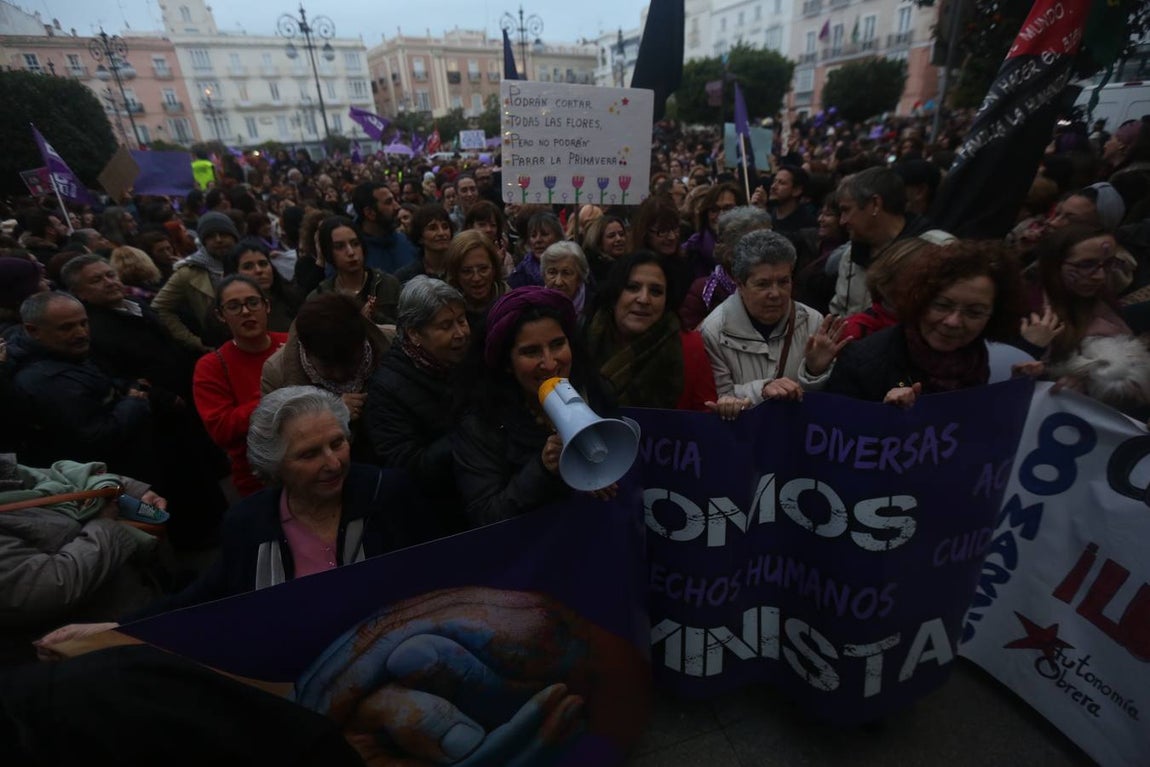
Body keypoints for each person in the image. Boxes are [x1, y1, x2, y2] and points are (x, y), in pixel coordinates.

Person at [36, 386, 432, 646]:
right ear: (274, 465)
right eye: (309, 454)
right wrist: (117, 630)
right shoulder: (249, 523)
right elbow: (208, 597)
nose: (332, 463)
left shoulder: (389, 493)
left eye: (337, 443)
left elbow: (438, 575)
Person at [453, 287, 611, 528]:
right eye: (531, 351)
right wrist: (542, 469)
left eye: (557, 344)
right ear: (507, 363)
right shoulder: (481, 424)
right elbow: (486, 516)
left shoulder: (596, 392)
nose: (549, 364)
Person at [825, 239, 1027, 404]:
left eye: (974, 313)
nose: (953, 322)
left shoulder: (975, 359)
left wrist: (1025, 385)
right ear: (920, 300)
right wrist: (882, 416)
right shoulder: (862, 363)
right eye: (942, 306)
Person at [700, 230, 846, 416]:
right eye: (763, 284)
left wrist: (815, 372)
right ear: (739, 284)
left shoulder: (812, 321)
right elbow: (718, 397)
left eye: (784, 282)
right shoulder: (714, 330)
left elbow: (825, 404)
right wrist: (762, 389)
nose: (776, 293)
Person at [366, 277, 471, 533]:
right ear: (414, 334)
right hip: (437, 521)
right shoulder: (387, 389)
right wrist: (471, 433)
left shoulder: (467, 360)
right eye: (446, 326)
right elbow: (408, 468)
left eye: (461, 320)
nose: (461, 333)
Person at [7, 292, 153, 475]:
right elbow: (97, 437)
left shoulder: (61, 353)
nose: (81, 333)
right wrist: (134, 402)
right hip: (106, 474)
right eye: (66, 328)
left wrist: (124, 386)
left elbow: (93, 379)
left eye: (83, 323)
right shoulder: (46, 380)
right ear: (33, 330)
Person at [261, 293, 390, 463]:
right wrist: (332, 415)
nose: (339, 374)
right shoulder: (277, 373)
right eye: (327, 366)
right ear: (306, 350)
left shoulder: (391, 341)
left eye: (349, 363)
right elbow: (277, 449)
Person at [193, 275, 288, 497]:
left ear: (267, 306)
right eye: (234, 307)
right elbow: (221, 429)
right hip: (260, 479)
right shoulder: (212, 366)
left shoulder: (291, 343)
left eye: (253, 303)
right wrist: (272, 396)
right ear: (220, 315)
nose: (246, 312)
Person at [585, 252, 716, 411]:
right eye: (632, 288)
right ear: (614, 295)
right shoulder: (581, 340)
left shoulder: (689, 347)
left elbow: (706, 418)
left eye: (656, 291)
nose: (644, 299)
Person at [831, 167, 927, 317]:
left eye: (846, 210)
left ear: (875, 204)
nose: (842, 221)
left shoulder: (936, 250)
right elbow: (838, 312)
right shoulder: (850, 256)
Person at [1033, 224, 1131, 364]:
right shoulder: (1030, 308)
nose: (1100, 276)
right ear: (1054, 265)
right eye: (1086, 265)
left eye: (1109, 263)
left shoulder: (1102, 297)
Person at [152, 211, 240, 353]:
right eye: (211, 236)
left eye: (223, 234)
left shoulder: (251, 261)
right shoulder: (189, 271)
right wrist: (195, 342)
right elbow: (160, 308)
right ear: (203, 242)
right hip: (223, 348)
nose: (218, 240)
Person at [680, 206, 771, 331]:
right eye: (754, 245)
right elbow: (689, 341)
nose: (764, 251)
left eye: (768, 242)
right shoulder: (704, 291)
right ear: (729, 252)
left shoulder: (779, 284)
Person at [308, 216, 400, 326]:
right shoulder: (321, 296)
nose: (351, 252)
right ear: (328, 252)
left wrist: (375, 317)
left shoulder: (388, 285)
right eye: (339, 247)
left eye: (355, 243)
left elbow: (406, 333)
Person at [223, 238, 301, 332]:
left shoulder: (292, 299)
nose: (259, 270)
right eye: (248, 267)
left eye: (263, 264)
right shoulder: (226, 311)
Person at [444, 229, 507, 332]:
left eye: (483, 269)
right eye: (467, 271)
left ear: (494, 268)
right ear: (455, 274)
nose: (476, 278)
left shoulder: (512, 306)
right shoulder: (444, 311)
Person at [350, 182, 417, 274]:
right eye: (389, 202)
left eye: (395, 200)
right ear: (369, 213)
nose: (397, 206)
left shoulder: (405, 242)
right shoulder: (352, 254)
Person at [683, 183, 739, 281]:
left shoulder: (752, 247)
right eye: (714, 210)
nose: (721, 215)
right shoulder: (691, 248)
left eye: (728, 209)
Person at [395, 204, 455, 283]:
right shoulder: (406, 277)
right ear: (420, 237)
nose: (441, 233)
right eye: (433, 228)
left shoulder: (460, 270)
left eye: (445, 227)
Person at [507, 211, 564, 289]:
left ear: (558, 238)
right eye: (533, 236)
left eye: (544, 234)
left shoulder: (572, 267)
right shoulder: (519, 275)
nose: (538, 240)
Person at [541, 241, 593, 320]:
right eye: (552, 272)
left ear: (580, 278)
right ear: (544, 276)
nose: (558, 282)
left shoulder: (595, 309)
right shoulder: (534, 307)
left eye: (566, 273)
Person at [767, 166, 818, 235]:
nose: (773, 186)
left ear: (797, 190)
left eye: (781, 183)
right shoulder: (767, 214)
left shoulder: (806, 223)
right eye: (774, 181)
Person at [581, 214, 628, 284]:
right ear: (598, 242)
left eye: (621, 234)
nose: (619, 239)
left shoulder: (629, 264)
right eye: (611, 236)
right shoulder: (592, 271)